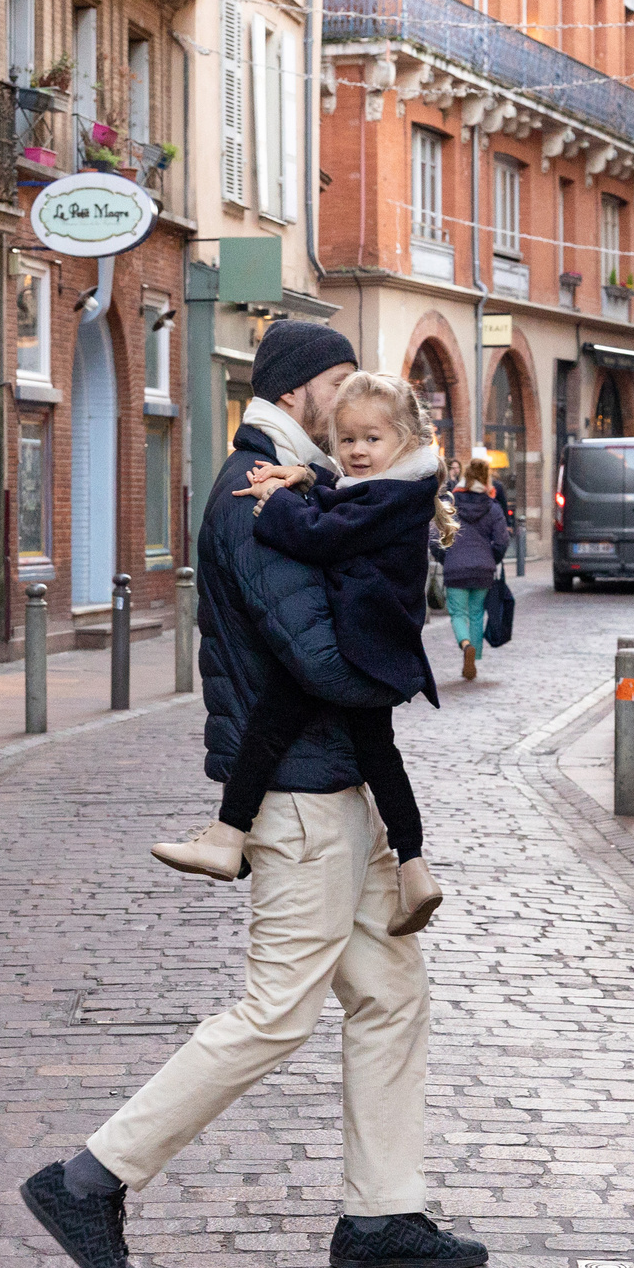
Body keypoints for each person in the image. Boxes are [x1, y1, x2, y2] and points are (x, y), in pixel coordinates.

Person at [19, 321, 486, 1268]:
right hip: (302, 796)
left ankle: (383, 1210)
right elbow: (319, 656)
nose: (352, 406)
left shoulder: (307, 477)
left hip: (337, 783)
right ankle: (88, 1178)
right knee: (276, 1012)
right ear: (309, 389)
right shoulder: (249, 489)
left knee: (391, 992)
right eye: (338, 386)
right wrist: (397, 647)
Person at [149, 369, 453, 938]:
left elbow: (324, 534)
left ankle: (227, 834)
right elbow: (345, 500)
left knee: (270, 721)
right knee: (380, 755)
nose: (358, 452)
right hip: (373, 642)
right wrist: (309, 476)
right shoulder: (399, 488)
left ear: (406, 441)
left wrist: (276, 500)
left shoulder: (392, 495)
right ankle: (414, 869)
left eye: (372, 439)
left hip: (355, 644)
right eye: (348, 440)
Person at [438, 456, 512, 681]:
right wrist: (493, 558)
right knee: (477, 612)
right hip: (483, 569)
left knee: (458, 613)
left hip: (455, 568)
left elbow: (435, 537)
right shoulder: (492, 507)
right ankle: (473, 659)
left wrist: (445, 558)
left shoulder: (451, 504)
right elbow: (502, 541)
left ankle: (465, 645)